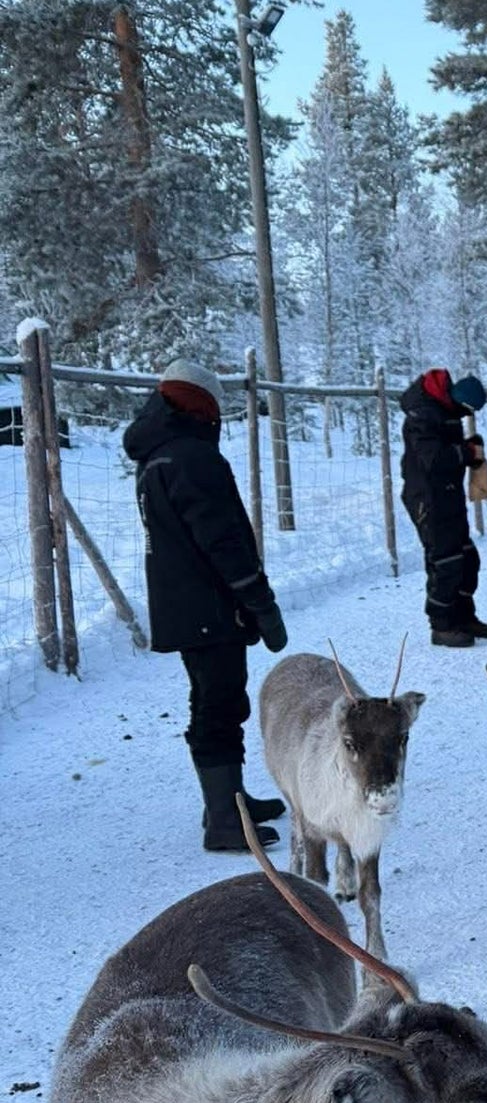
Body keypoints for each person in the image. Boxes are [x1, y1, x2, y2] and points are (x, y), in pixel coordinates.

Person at [123, 357, 288, 853]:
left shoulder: (159, 455)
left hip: (185, 605)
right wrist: (259, 600)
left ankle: (229, 800)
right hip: (209, 606)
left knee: (216, 699)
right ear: (200, 405)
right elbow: (224, 540)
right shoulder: (192, 458)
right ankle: (224, 819)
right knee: (218, 705)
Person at [398, 368, 487, 647]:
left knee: (467, 559)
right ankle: (442, 625)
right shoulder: (422, 414)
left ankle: (463, 617)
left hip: (448, 495)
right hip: (428, 499)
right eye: (468, 410)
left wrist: (469, 448)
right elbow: (433, 459)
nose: (467, 416)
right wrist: (466, 452)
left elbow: (448, 448)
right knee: (445, 562)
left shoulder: (445, 410)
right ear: (459, 401)